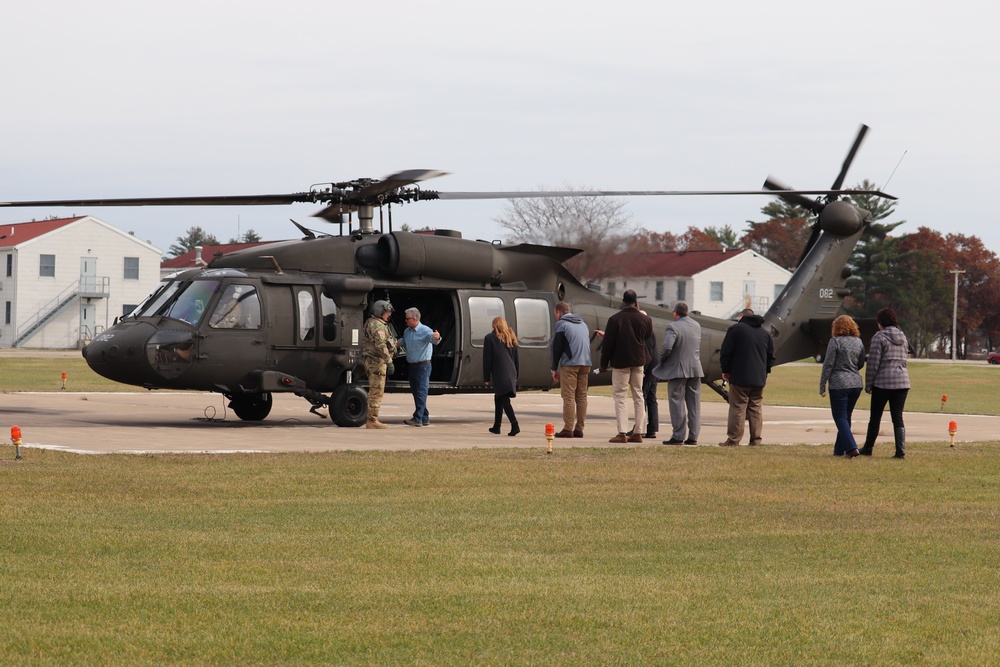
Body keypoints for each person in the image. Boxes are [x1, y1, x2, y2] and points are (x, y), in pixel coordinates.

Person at [599, 289, 653, 443]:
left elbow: (608, 344)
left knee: (620, 396)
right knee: (638, 395)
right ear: (636, 301)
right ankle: (638, 432)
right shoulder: (646, 319)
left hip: (621, 361)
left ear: (623, 301)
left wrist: (603, 364)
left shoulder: (615, 319)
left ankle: (622, 432)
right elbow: (647, 336)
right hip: (639, 361)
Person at [718, 308, 775, 447]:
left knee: (738, 407)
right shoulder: (765, 334)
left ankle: (734, 439)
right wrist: (764, 373)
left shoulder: (735, 330)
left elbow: (726, 352)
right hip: (759, 379)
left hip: (740, 377)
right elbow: (771, 358)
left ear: (742, 316)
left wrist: (725, 370)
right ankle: (755, 440)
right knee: (755, 408)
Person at [860, 307, 911, 459]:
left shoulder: (879, 337)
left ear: (880, 323)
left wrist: (869, 384)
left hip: (883, 382)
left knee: (875, 417)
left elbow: (873, 363)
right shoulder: (903, 336)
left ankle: (868, 448)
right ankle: (900, 451)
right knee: (898, 417)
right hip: (902, 382)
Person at [652, 301, 703, 446]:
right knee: (694, 403)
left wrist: (661, 359)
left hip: (678, 369)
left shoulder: (673, 326)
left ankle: (678, 435)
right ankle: (693, 436)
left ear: (675, 313)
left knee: (676, 402)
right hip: (695, 368)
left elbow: (667, 346)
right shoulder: (696, 325)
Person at [819, 314, 866, 458]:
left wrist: (822, 385)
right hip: (856, 383)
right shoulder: (859, 342)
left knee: (839, 416)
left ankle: (851, 448)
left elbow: (828, 364)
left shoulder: (835, 342)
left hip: (839, 383)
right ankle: (839, 450)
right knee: (846, 416)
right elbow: (861, 362)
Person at [550, 301, 592, 438]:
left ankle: (568, 428)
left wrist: (553, 368)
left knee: (568, 396)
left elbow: (556, 348)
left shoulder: (561, 324)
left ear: (558, 312)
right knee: (581, 396)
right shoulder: (583, 324)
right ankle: (579, 428)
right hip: (585, 363)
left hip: (570, 364)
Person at [400, 307, 441, 427]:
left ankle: (417, 418)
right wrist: (393, 342)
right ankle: (425, 417)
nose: (405, 321)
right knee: (416, 392)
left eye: (407, 319)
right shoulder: (407, 331)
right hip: (412, 366)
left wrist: (437, 337)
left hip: (423, 366)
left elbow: (434, 340)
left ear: (414, 319)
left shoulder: (425, 330)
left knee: (421, 391)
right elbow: (403, 341)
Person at [362, 299, 397, 429]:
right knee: (376, 391)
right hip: (377, 363)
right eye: (387, 312)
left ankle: (372, 418)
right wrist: (389, 361)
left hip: (373, 362)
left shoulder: (373, 323)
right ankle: (372, 420)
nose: (389, 314)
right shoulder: (377, 326)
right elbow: (381, 345)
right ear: (380, 311)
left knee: (374, 391)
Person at [483, 316, 520, 436]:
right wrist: (516, 375)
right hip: (511, 373)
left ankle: (515, 424)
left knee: (504, 399)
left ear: (494, 326)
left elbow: (487, 359)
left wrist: (486, 378)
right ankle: (496, 426)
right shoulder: (510, 337)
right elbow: (516, 359)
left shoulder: (490, 338)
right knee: (498, 398)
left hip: (500, 373)